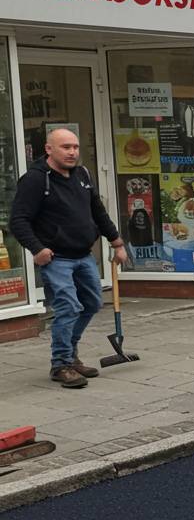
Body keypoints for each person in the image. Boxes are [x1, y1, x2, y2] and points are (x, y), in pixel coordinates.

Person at [10, 129, 129, 388]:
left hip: (83, 255)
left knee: (92, 303)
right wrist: (37, 249)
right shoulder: (35, 180)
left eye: (75, 146)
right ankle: (61, 364)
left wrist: (117, 242)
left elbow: (97, 211)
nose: (72, 152)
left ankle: (70, 354)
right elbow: (18, 220)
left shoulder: (82, 174)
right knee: (68, 307)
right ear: (49, 149)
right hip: (56, 258)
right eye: (65, 147)